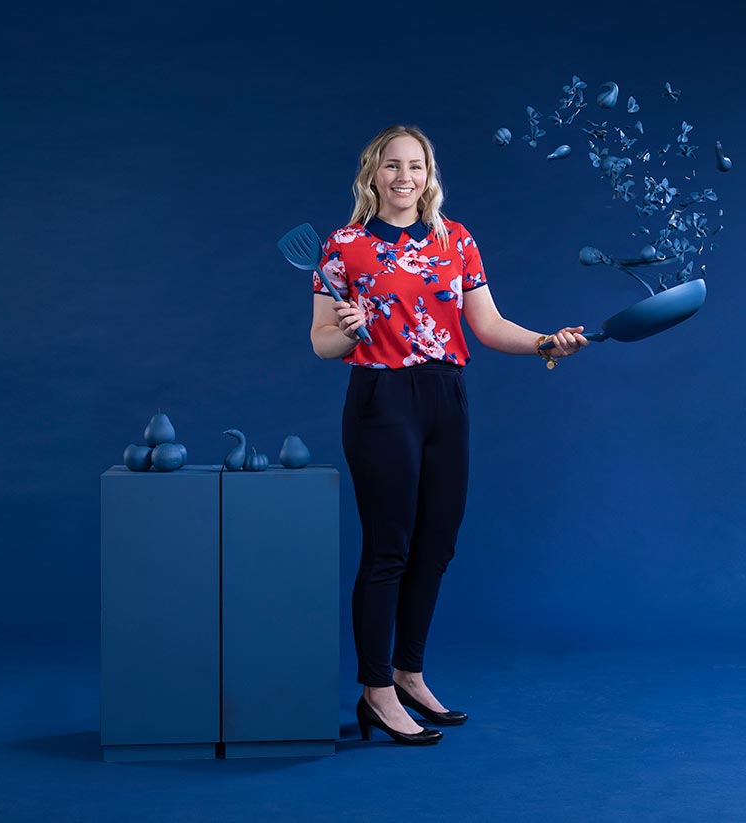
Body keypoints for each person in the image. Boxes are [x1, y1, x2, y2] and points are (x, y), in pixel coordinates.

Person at [310, 124, 588, 745]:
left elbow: (486, 325)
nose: (404, 177)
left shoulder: (454, 240)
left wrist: (546, 342)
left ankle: (409, 675)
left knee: (436, 545)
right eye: (391, 166)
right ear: (372, 174)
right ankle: (375, 691)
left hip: (446, 397)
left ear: (428, 175)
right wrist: (350, 332)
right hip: (381, 399)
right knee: (389, 549)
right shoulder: (344, 247)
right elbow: (321, 341)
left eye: (416, 166)